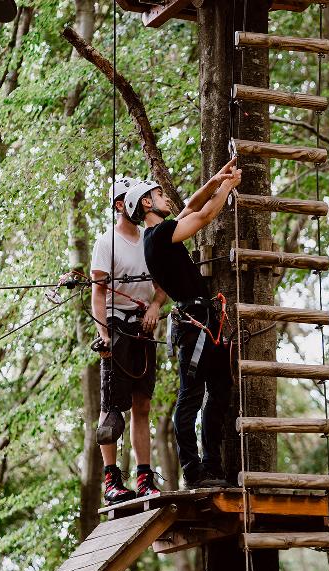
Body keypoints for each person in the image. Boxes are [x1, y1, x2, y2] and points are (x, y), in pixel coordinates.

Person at [124, 158, 241, 489]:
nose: (166, 198)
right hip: (194, 326)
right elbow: (203, 216)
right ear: (147, 203)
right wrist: (228, 188)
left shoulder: (161, 233)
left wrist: (217, 179)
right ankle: (192, 470)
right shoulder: (157, 236)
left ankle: (213, 467)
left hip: (207, 321)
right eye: (159, 194)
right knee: (191, 397)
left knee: (219, 391)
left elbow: (192, 205)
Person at [90, 177, 168, 503]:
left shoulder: (150, 238)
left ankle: (145, 477)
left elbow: (164, 281)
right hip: (116, 325)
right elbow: (98, 294)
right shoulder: (106, 243)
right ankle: (111, 481)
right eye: (130, 198)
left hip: (143, 327)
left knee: (143, 404)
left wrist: (155, 305)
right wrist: (103, 335)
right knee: (112, 406)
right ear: (121, 205)